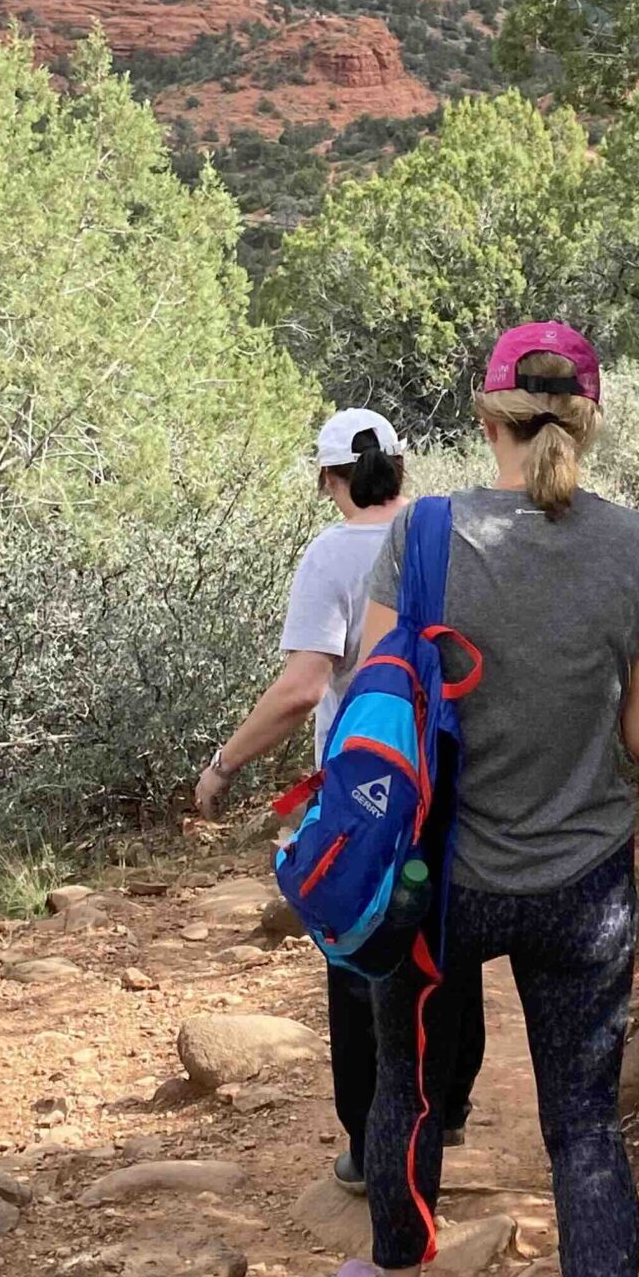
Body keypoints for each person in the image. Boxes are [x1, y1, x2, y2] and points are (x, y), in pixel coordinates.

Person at [326, 325, 639, 1277]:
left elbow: (377, 711)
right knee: (586, 1132)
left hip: (441, 883)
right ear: (589, 419)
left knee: (412, 1089)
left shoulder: (425, 537)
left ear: (486, 417)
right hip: (583, 886)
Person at [195, 406, 486, 1191]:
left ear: (330, 479)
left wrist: (223, 766)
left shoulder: (330, 555)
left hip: (365, 785)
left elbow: (302, 687)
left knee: (359, 939)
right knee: (446, 934)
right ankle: (447, 1107)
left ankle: (371, 1143)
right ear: (400, 466)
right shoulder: (447, 533)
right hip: (452, 767)